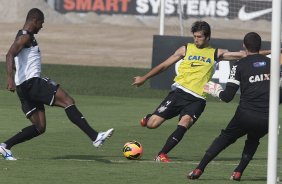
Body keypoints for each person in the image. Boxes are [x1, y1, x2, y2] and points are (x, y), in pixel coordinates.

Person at [131, 21, 262, 162]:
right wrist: (144, 78)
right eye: (194, 36)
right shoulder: (185, 49)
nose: (196, 39)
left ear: (207, 37)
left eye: (199, 36)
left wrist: (275, 51)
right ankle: (148, 117)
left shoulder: (215, 53)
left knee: (185, 122)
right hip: (178, 93)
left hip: (197, 99)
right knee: (152, 124)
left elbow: (248, 55)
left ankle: (161, 154)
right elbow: (164, 65)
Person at [0, 8, 114, 161]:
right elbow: (9, 54)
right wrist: (9, 78)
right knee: (68, 101)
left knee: (40, 127)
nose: (42, 26)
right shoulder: (25, 37)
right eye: (41, 23)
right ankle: (95, 137)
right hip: (32, 83)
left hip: (23, 88)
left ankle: (5, 146)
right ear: (34, 21)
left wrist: (15, 72)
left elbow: (16, 59)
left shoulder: (23, 35)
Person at [187, 32, 279, 181]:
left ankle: (198, 169)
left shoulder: (238, 65)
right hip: (267, 117)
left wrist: (216, 90)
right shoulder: (273, 64)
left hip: (245, 115)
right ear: (260, 46)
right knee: (253, 140)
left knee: (224, 138)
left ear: (244, 46)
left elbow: (227, 97)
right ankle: (238, 172)